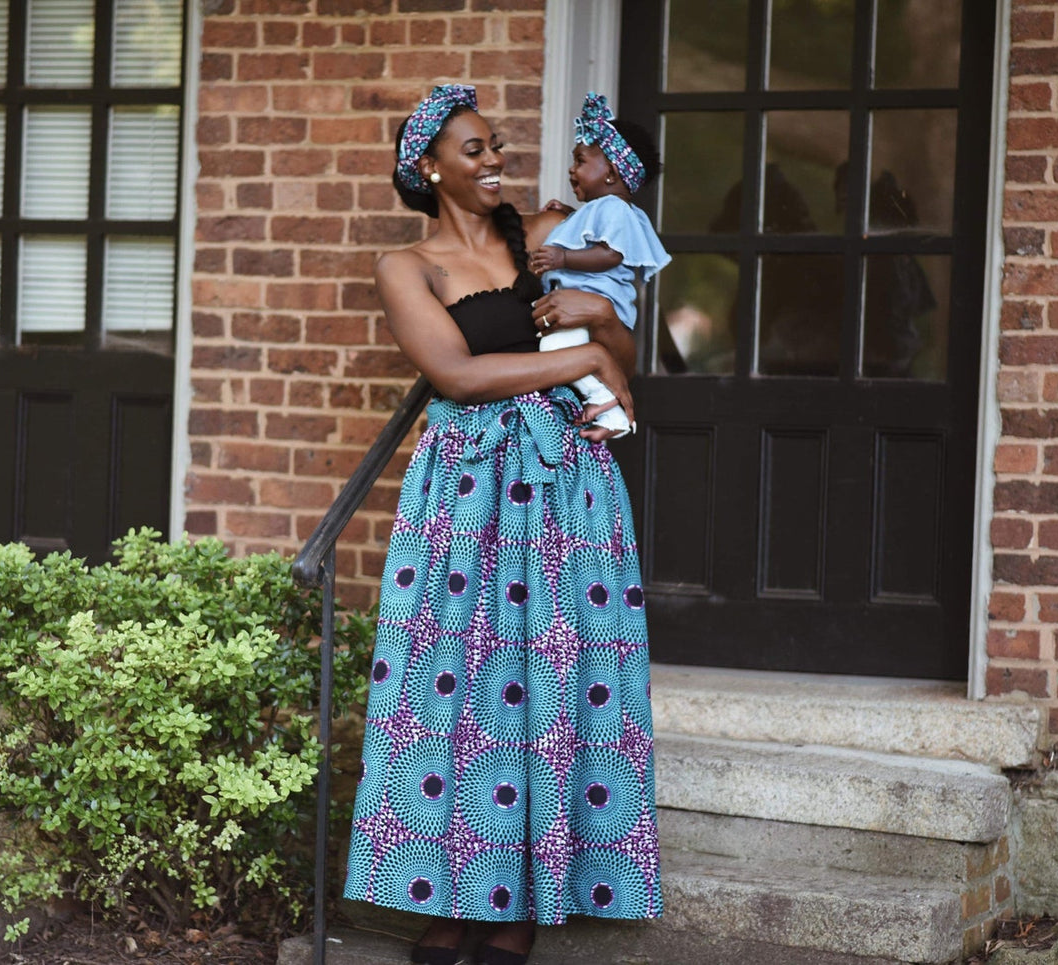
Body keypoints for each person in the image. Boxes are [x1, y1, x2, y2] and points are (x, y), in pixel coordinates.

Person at [342, 84, 662, 965]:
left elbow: (623, 353)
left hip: (565, 483)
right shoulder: (408, 269)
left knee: (548, 682)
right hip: (466, 490)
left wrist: (601, 328)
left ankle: (521, 897)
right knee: (454, 685)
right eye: (474, 150)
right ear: (428, 167)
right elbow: (453, 374)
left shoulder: (551, 235)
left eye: (495, 147)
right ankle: (449, 892)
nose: (494, 162)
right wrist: (587, 356)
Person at [527, 93, 670, 437]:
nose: (571, 169)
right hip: (581, 306)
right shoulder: (607, 209)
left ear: (611, 174)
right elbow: (593, 233)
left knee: (553, 350)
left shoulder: (615, 210)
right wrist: (568, 213)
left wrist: (563, 257)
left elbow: (611, 254)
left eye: (580, 161)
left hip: (595, 305)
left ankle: (609, 405)